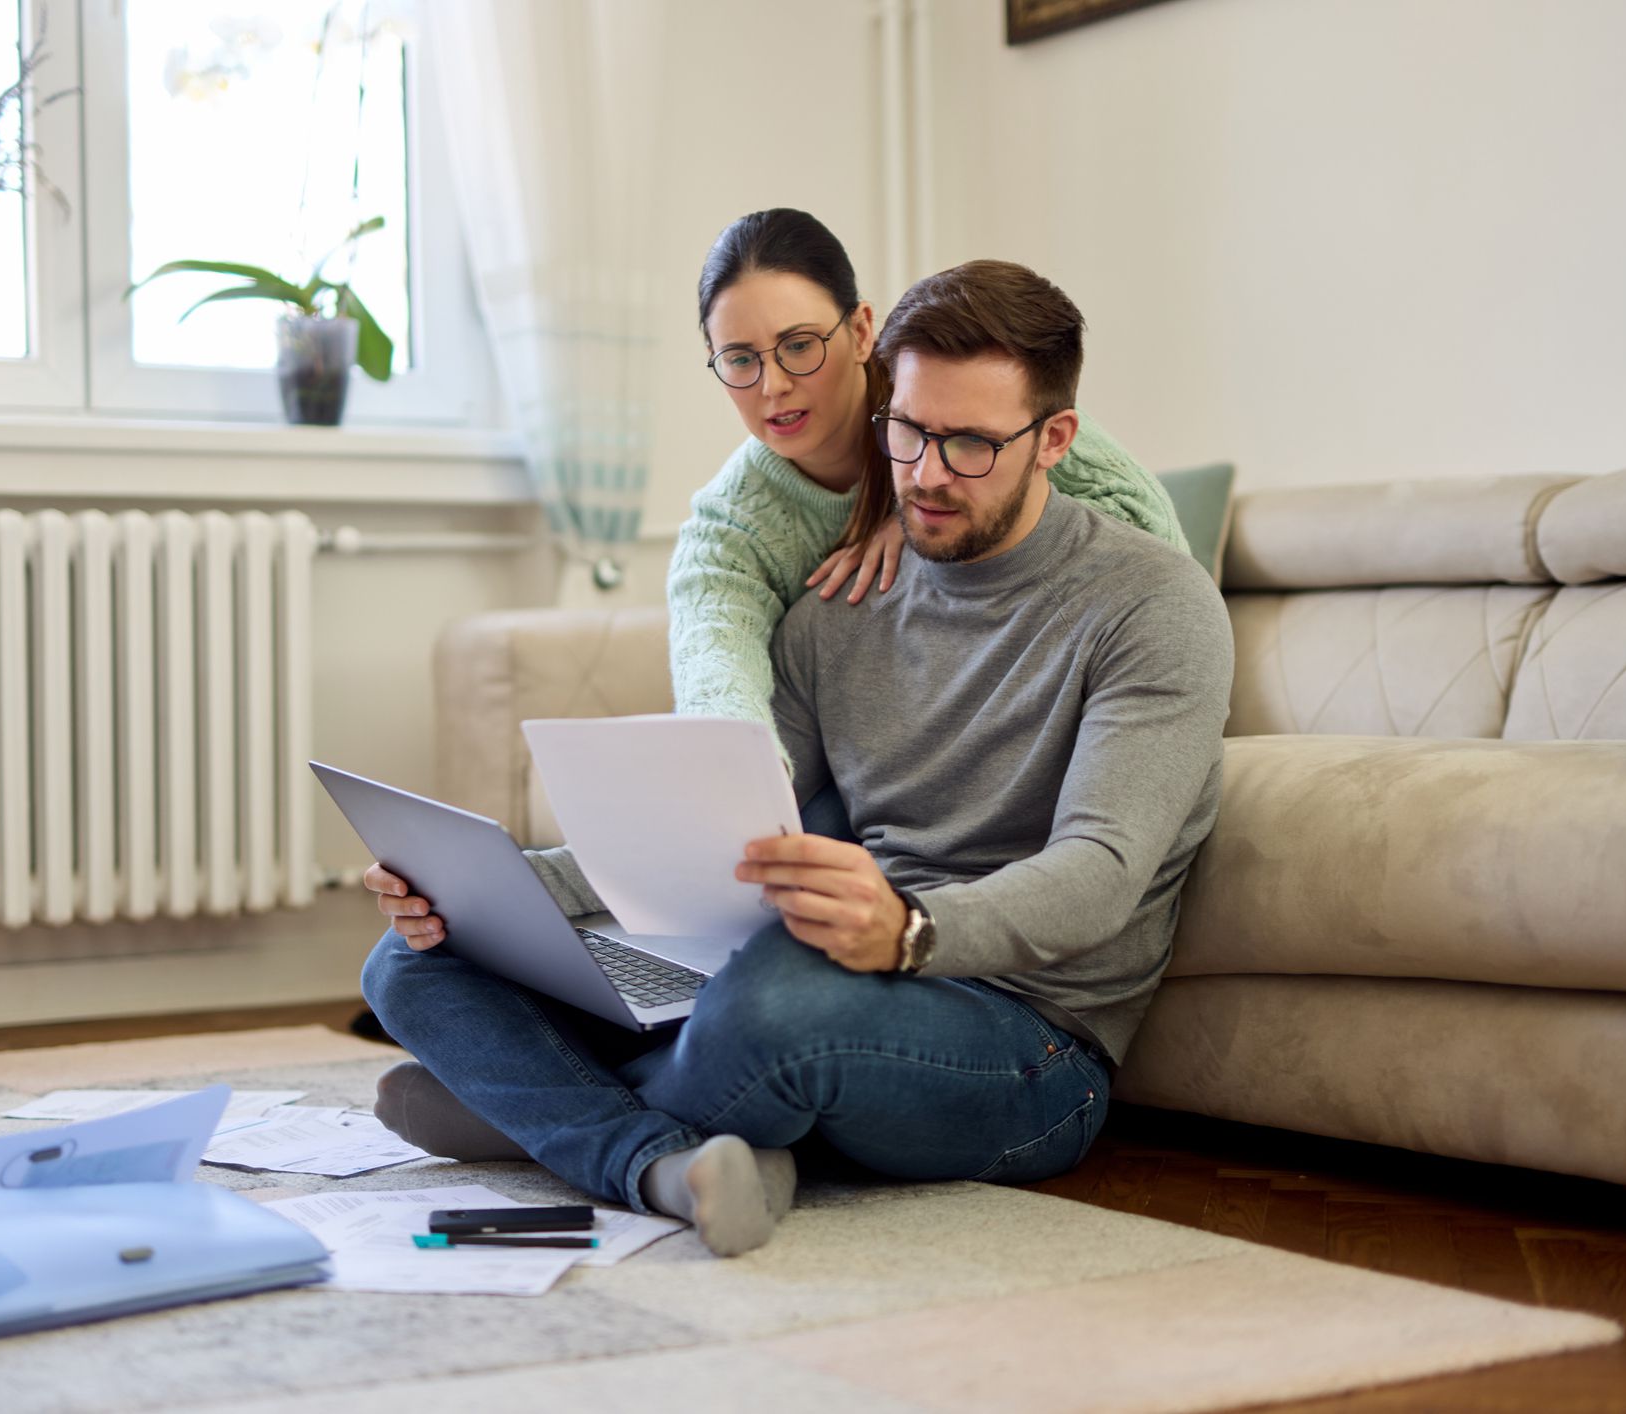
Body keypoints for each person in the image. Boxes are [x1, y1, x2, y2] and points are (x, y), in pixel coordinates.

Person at [358, 259, 1233, 1258]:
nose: (927, 473)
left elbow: (1099, 878)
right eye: (905, 432)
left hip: (1025, 1044)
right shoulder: (834, 610)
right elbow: (724, 838)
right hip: (828, 969)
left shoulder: (1152, 607)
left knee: (770, 1008)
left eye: (972, 445)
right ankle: (657, 1156)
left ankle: (543, 1114)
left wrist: (908, 930)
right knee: (411, 962)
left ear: (1054, 442)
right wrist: (492, 886)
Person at [670, 208, 1189, 754]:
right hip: (862, 760)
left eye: (800, 345)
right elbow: (715, 681)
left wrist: (928, 515)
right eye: (739, 358)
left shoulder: (968, 403)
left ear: (862, 329)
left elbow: (1155, 551)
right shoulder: (728, 530)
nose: (772, 385)